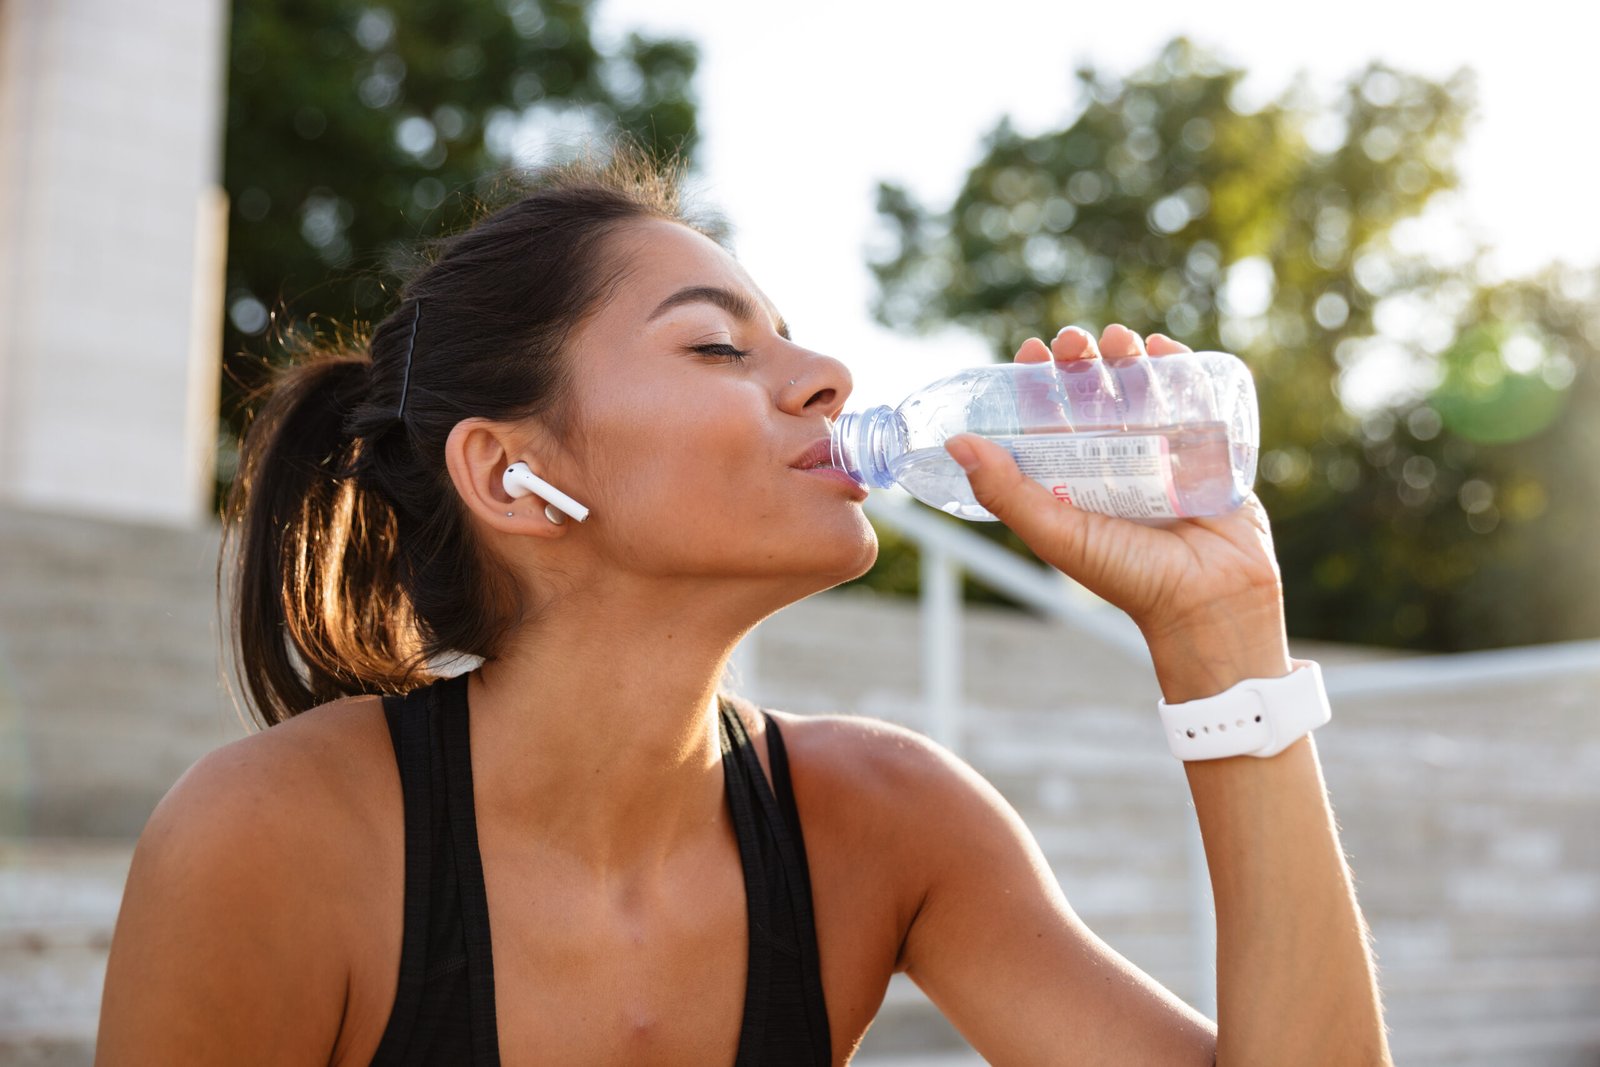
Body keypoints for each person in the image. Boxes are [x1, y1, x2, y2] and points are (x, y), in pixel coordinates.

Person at [96, 150, 1391, 1065]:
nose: (829, 375)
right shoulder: (278, 843)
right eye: (719, 345)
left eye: (791, 337)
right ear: (512, 477)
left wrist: (1224, 641)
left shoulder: (886, 826)